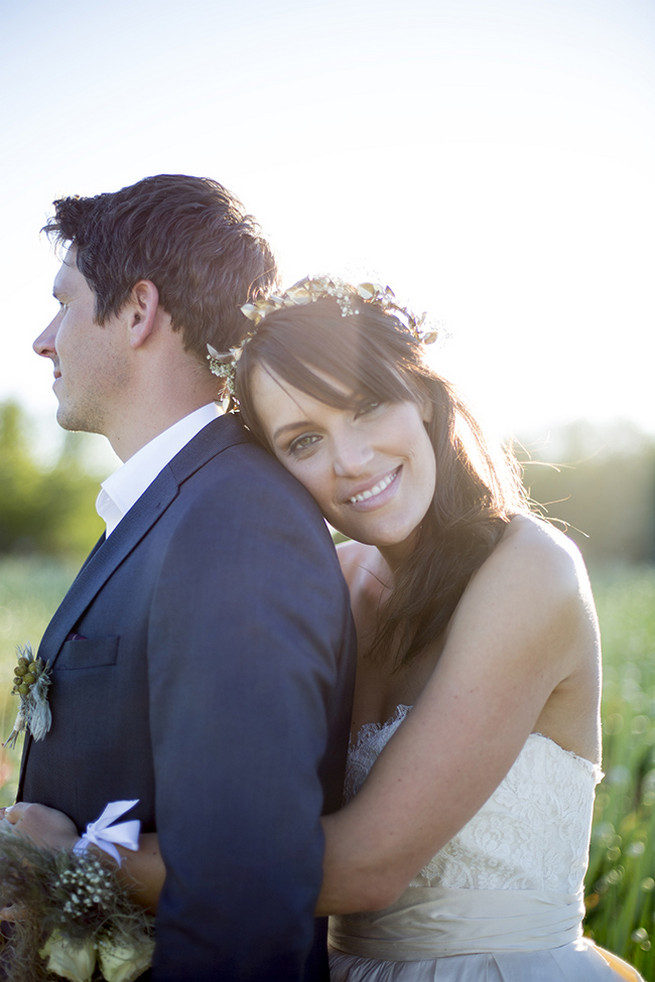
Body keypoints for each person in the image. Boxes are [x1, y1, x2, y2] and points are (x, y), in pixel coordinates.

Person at [229, 276, 642, 980]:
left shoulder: (528, 571)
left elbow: (366, 867)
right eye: (303, 441)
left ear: (421, 395)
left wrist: (100, 865)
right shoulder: (328, 585)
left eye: (365, 407)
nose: (350, 460)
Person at [1, 186, 356, 981]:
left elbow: (244, 892)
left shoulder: (235, 520)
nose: (41, 340)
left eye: (63, 304)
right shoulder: (175, 507)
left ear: (138, 311)